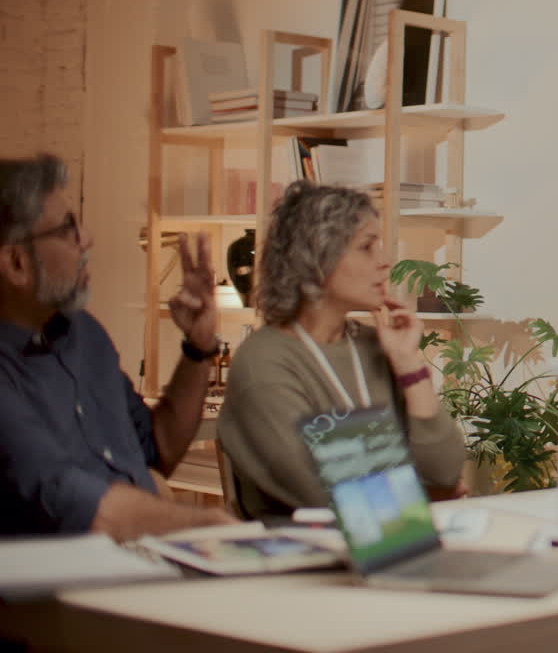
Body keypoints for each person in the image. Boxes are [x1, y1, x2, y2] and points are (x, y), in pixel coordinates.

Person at [0, 154, 236, 540]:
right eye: (67, 230)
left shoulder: (85, 335)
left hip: (141, 565)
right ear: (16, 263)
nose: (87, 239)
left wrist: (198, 347)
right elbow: (72, 501)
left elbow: (157, 449)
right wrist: (199, 525)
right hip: (60, 590)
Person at [217, 181, 466, 521]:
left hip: (399, 546)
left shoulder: (379, 345)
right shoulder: (263, 363)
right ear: (317, 256)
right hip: (305, 562)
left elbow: (445, 470)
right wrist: (427, 495)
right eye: (367, 247)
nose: (385, 262)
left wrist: (409, 363)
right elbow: (319, 492)